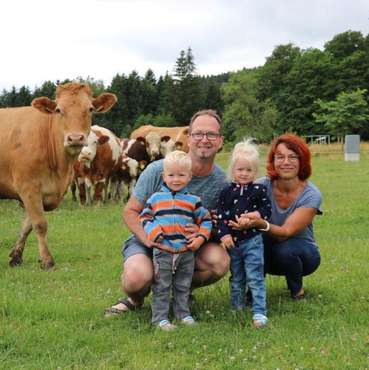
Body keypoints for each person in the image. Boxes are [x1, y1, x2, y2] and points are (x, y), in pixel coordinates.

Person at [105, 109, 229, 316]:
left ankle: (181, 290)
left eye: (211, 135)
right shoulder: (158, 169)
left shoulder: (221, 181)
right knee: (136, 278)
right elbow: (131, 212)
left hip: (188, 246)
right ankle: (135, 299)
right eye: (198, 134)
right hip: (151, 239)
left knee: (219, 262)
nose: (204, 140)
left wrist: (202, 232)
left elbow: (215, 221)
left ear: (220, 140)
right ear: (188, 138)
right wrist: (149, 239)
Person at [230, 134, 322, 300]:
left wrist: (259, 223)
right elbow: (238, 206)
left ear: (302, 161)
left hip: (303, 255)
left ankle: (297, 291)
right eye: (280, 157)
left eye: (293, 157)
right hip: (267, 250)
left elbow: (286, 232)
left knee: (285, 249)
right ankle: (252, 294)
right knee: (254, 242)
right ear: (273, 161)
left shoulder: (311, 194)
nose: (286, 162)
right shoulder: (261, 185)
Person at [140, 150, 212, 330]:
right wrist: (153, 231)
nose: (176, 179)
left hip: (186, 252)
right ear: (164, 176)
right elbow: (145, 218)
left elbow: (206, 220)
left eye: (181, 175)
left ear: (189, 177)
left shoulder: (193, 201)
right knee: (162, 285)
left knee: (183, 285)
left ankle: (183, 314)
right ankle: (160, 319)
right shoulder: (155, 199)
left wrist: (201, 238)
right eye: (171, 175)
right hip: (163, 251)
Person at [217, 139, 271, 327]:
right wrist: (224, 235)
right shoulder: (226, 192)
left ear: (255, 172)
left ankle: (259, 312)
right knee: (237, 277)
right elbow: (221, 217)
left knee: (255, 276)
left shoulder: (259, 190)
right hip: (234, 243)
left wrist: (255, 215)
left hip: (253, 240)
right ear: (233, 170)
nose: (244, 174)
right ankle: (237, 308)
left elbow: (266, 210)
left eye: (249, 170)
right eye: (240, 169)